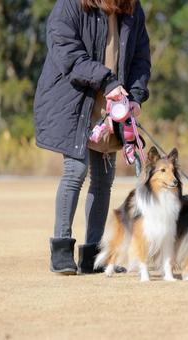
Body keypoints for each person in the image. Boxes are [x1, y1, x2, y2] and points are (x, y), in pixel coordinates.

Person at [34, 0, 150, 274]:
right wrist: (107, 81)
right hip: (75, 100)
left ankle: (93, 256)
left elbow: (141, 59)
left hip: (113, 105)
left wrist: (134, 97)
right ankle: (61, 250)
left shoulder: (132, 8)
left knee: (103, 179)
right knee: (76, 170)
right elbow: (67, 52)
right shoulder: (71, 5)